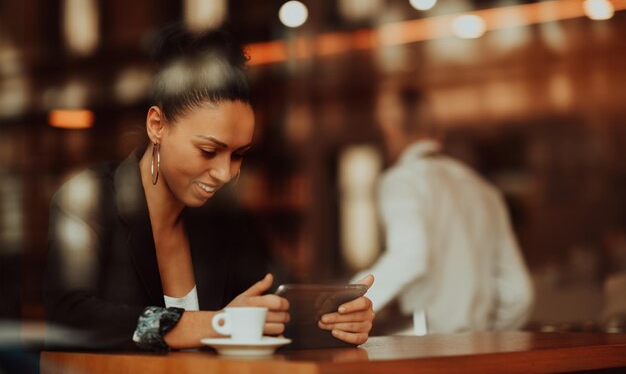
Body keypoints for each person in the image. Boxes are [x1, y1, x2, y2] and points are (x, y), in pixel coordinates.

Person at [43, 25, 374, 351]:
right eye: (209, 151)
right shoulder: (89, 198)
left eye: (239, 155)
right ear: (157, 126)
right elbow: (70, 317)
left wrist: (335, 321)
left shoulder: (224, 218)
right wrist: (217, 324)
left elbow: (270, 311)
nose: (225, 173)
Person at [352, 84, 533, 334]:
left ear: (390, 132)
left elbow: (409, 257)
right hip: (481, 351)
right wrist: (491, 339)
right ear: (439, 134)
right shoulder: (485, 190)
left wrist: (342, 305)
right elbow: (519, 294)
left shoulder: (402, 181)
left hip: (425, 350)